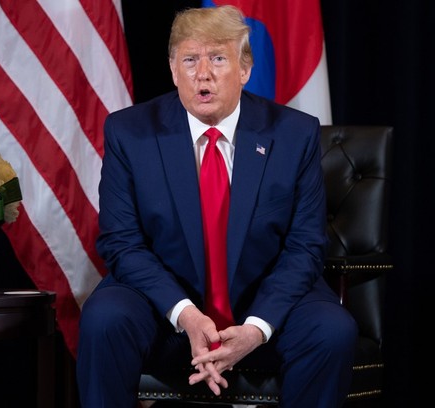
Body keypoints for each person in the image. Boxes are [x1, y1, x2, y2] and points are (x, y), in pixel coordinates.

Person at [76, 5, 358, 407]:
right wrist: (186, 315)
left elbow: (305, 247)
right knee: (104, 319)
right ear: (173, 70)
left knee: (331, 330)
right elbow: (121, 243)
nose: (202, 73)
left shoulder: (294, 134)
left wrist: (257, 328)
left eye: (218, 59)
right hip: (167, 309)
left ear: (244, 69)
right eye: (190, 60)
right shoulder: (129, 132)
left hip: (262, 304)